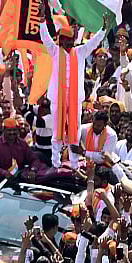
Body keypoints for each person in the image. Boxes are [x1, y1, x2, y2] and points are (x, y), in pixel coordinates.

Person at [40, 14, 110, 169]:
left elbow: (94, 43)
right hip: (58, 98)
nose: (70, 43)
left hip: (75, 99)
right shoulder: (54, 51)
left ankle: (73, 165)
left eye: (72, 40)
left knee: (74, 131)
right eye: (67, 40)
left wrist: (103, 29)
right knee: (57, 131)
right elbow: (45, 38)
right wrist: (42, 20)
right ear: (61, 39)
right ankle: (55, 163)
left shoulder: (79, 52)